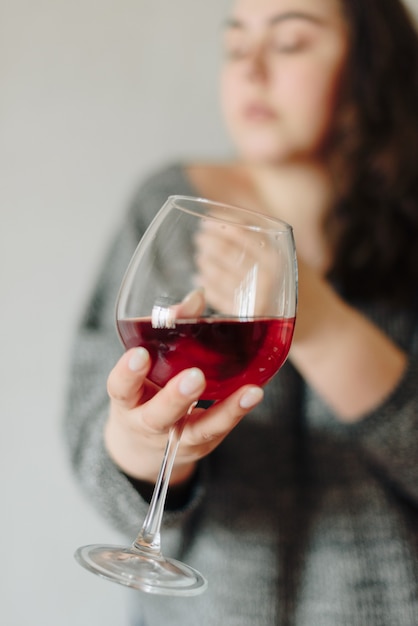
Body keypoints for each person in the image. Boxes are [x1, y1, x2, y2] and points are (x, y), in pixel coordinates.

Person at [64, 0, 418, 624]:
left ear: (370, 65)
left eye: (288, 44)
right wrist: (141, 442)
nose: (251, 69)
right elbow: (95, 444)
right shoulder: (168, 208)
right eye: (235, 46)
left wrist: (324, 325)